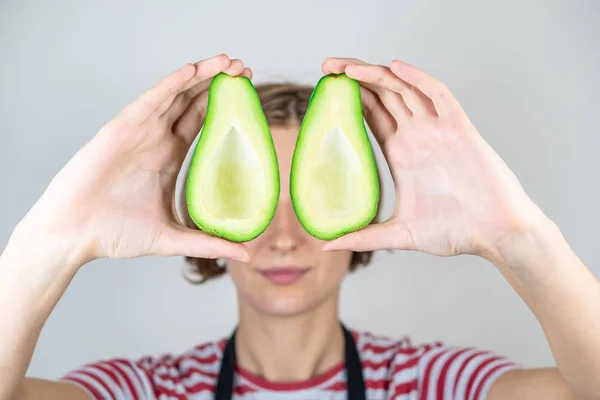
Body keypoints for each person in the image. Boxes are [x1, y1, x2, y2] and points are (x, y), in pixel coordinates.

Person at [0, 53, 597, 400]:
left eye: (310, 202)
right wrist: (52, 242)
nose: (283, 237)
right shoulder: (143, 390)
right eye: (258, 204)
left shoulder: (436, 382)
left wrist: (519, 239)